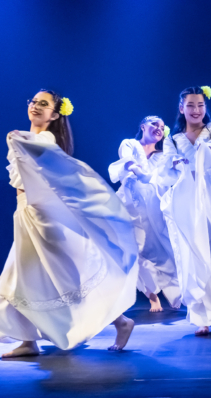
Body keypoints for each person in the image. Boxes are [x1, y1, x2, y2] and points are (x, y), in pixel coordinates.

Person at [0, 90, 139, 358]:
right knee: (23, 280)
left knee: (66, 279)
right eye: (34, 102)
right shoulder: (25, 139)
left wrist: (17, 138)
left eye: (44, 104)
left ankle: (121, 321)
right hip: (25, 215)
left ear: (54, 115)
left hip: (44, 219)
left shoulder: (45, 140)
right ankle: (29, 342)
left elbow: (37, 150)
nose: (36, 106)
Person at [159, 86, 211, 336]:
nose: (196, 110)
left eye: (200, 105)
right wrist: (175, 163)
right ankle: (201, 315)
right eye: (190, 105)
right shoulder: (172, 139)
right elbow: (166, 168)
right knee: (190, 255)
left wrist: (203, 151)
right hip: (185, 201)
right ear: (181, 108)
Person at [109, 116, 181, 312]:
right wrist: (135, 169)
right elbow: (127, 162)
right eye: (154, 124)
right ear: (143, 126)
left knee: (163, 249)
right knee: (134, 249)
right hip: (129, 203)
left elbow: (169, 175)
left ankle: (175, 292)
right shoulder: (129, 144)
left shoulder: (163, 155)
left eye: (162, 127)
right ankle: (152, 296)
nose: (159, 128)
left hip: (155, 206)